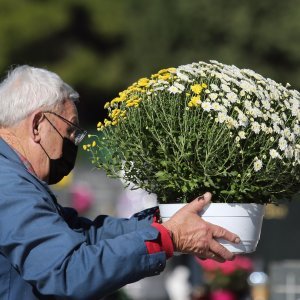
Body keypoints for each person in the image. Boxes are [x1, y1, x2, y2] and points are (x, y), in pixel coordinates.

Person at [0, 65, 240, 300]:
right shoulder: (10, 185)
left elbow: (83, 235)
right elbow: (67, 272)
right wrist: (169, 237)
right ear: (37, 125)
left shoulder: (14, 178)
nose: (75, 141)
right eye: (71, 130)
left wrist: (165, 221)